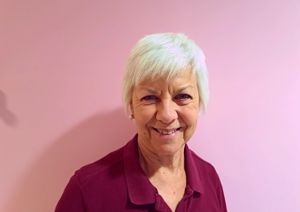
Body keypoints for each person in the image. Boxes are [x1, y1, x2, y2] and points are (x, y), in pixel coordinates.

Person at [55, 33, 227, 212]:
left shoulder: (210, 178)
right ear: (131, 105)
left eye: (182, 96)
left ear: (199, 102)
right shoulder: (88, 190)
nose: (166, 115)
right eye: (150, 97)